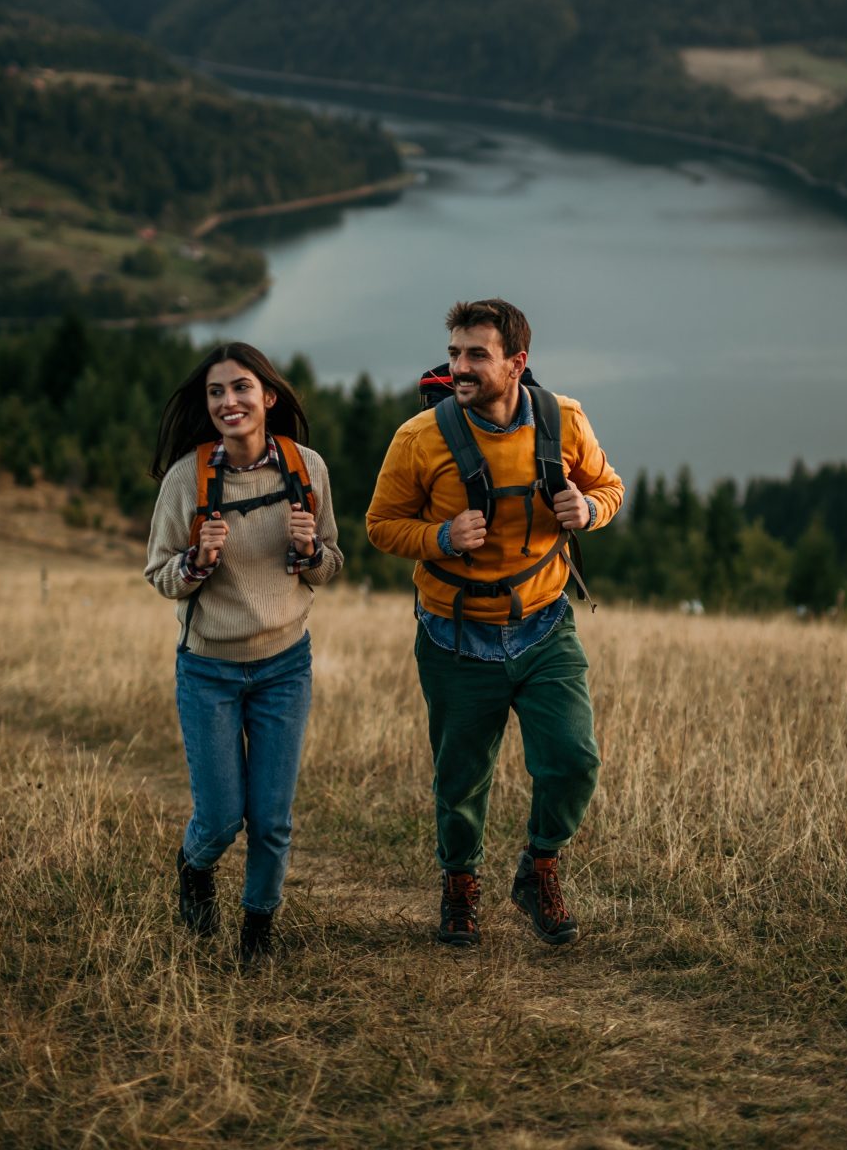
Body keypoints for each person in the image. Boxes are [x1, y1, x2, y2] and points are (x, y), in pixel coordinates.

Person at [366, 299, 623, 947]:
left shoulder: (563, 420)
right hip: (455, 637)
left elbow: (610, 487)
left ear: (517, 364)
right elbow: (380, 527)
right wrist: (442, 536)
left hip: (544, 626)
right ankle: (459, 883)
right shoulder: (418, 439)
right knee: (461, 777)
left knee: (572, 759)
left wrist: (587, 510)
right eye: (454, 353)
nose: (459, 366)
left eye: (476, 354)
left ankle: (539, 866)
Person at [144, 342, 343, 960]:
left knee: (273, 818)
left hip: (286, 665)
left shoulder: (305, 468)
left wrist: (311, 554)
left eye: (241, 388)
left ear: (269, 396)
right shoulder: (188, 478)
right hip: (208, 668)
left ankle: (258, 931)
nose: (229, 401)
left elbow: (330, 564)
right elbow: (159, 574)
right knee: (223, 817)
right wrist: (196, 561)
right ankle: (195, 867)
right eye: (216, 392)